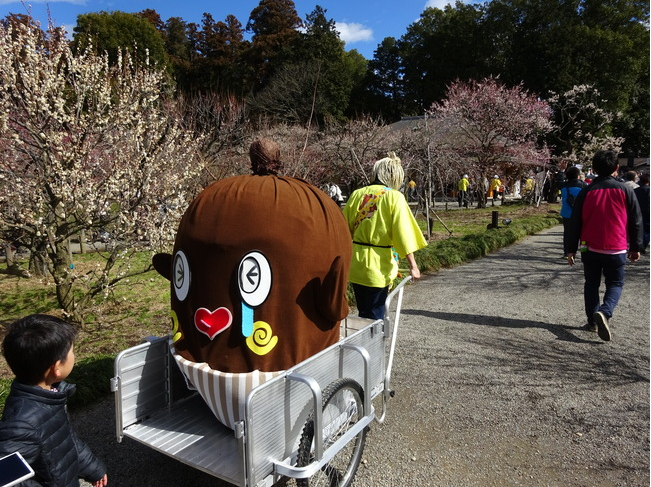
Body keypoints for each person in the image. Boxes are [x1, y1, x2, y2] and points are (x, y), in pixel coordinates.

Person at [0, 314, 108, 487]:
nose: (74, 356)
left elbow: (65, 439)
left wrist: (91, 468)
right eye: (72, 352)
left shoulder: (49, 394)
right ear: (56, 367)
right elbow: (5, 477)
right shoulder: (22, 424)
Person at [565, 150, 643, 342]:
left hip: (588, 246)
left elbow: (575, 221)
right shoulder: (625, 190)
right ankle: (605, 311)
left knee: (591, 284)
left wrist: (571, 249)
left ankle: (592, 321)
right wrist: (636, 247)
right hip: (616, 246)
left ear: (595, 168)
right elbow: (636, 221)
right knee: (615, 283)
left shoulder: (587, 191)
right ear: (617, 168)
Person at [343, 152, 428, 319]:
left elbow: (343, 229)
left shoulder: (357, 194)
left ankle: (364, 342)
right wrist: (413, 265)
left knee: (364, 311)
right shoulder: (394, 197)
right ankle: (372, 344)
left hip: (356, 262)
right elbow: (402, 233)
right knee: (375, 316)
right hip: (378, 265)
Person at [559, 166, 586, 256]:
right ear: (578, 176)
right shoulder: (584, 186)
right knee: (583, 234)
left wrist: (561, 170)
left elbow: (558, 181)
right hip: (581, 213)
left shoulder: (564, 186)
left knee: (567, 234)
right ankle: (584, 252)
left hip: (566, 213)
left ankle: (567, 252)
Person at [634, 173, 649, 253]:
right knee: (647, 230)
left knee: (639, 228)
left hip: (638, 211)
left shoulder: (635, 191)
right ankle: (643, 244)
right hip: (647, 211)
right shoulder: (649, 190)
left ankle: (639, 243)